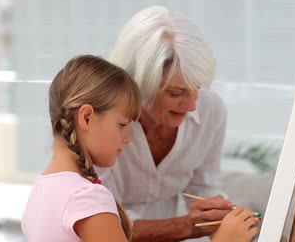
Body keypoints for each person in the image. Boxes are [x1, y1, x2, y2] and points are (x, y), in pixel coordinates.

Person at [21, 55, 259, 242]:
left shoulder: (45, 188)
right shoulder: (88, 200)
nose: (127, 138)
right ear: (86, 117)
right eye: (122, 125)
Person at [95, 6, 245, 241]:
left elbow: (204, 186)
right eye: (176, 93)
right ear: (138, 83)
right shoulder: (99, 122)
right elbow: (102, 225)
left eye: (197, 89)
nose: (192, 106)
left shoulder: (211, 109)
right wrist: (187, 227)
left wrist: (216, 215)